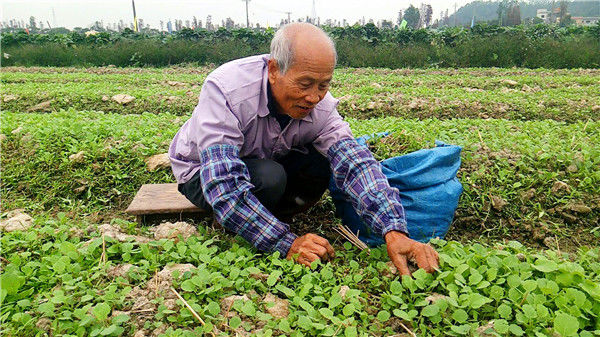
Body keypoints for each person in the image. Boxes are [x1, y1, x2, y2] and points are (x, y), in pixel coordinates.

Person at [169, 22, 439, 275]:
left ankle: (259, 217)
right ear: (274, 70)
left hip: (266, 158)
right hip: (200, 171)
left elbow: (357, 164)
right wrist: (286, 243)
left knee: (323, 163)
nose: (313, 97)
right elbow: (223, 184)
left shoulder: (321, 105)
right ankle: (242, 221)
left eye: (324, 85)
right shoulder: (227, 89)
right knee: (269, 177)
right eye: (305, 84)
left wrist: (394, 231)